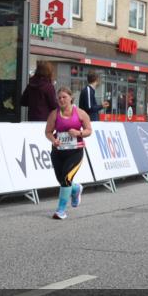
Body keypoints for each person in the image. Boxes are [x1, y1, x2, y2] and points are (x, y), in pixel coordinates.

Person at [45, 87, 93, 220]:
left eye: (64, 97)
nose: (61, 99)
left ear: (71, 98)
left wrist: (79, 133)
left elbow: (89, 130)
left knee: (66, 178)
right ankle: (76, 189)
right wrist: (54, 140)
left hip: (75, 152)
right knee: (62, 180)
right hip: (58, 152)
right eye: (59, 97)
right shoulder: (54, 114)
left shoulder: (81, 113)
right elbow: (48, 132)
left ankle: (61, 210)